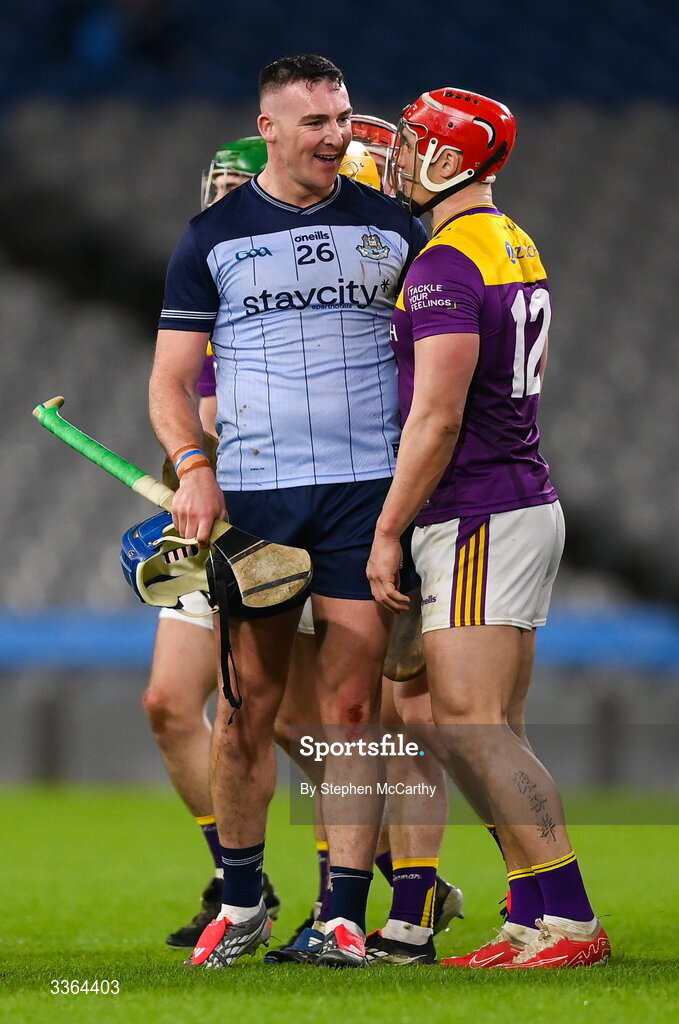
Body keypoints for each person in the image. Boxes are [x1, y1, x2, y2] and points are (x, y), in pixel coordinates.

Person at [149, 54, 427, 969]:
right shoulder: (211, 238)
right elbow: (171, 381)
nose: (336, 136)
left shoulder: (395, 228)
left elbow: (439, 360)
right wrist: (193, 465)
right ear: (267, 128)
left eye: (343, 117)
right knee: (247, 712)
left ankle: (343, 917)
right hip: (259, 502)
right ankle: (239, 901)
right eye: (314, 122)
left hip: (363, 499)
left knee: (350, 712)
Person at [367, 87, 611, 969]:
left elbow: (435, 417)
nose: (396, 157)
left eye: (410, 143)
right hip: (509, 503)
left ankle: (571, 920)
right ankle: (530, 917)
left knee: (469, 724)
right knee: (490, 725)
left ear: (449, 157)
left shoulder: (442, 262)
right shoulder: (507, 238)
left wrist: (388, 529)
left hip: (475, 510)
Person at [142, 137, 274, 950]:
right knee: (167, 703)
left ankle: (404, 881)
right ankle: (237, 881)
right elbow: (177, 401)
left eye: (240, 186)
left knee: (294, 720)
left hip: (278, 524)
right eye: (216, 185)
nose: (224, 200)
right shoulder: (201, 275)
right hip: (206, 528)